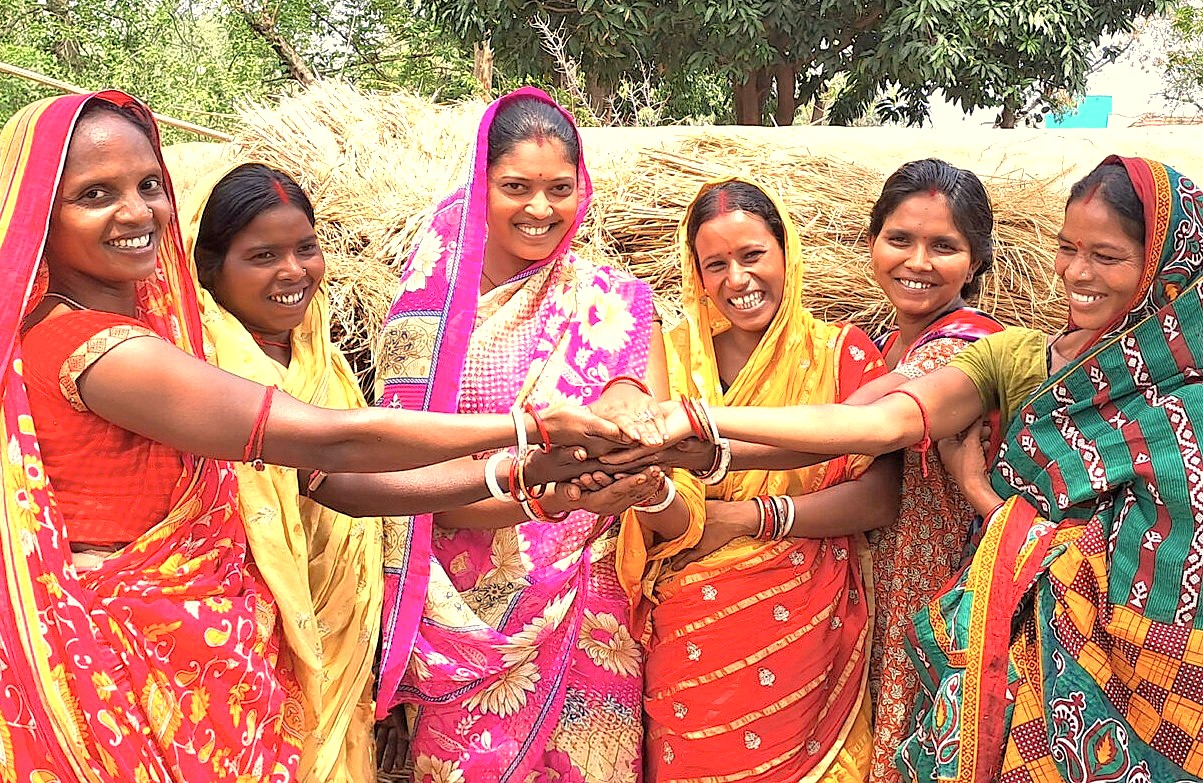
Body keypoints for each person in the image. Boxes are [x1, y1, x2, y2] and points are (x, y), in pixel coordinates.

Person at [0, 91, 630, 781]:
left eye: (149, 185)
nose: (136, 211)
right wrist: (531, 424)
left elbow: (336, 485)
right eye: (95, 193)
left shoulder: (170, 335)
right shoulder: (96, 347)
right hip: (137, 668)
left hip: (212, 659)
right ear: (38, 216)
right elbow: (331, 443)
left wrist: (522, 478)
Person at [643, 157, 1203, 781]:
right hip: (918, 605)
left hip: (1071, 644)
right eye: (1068, 248)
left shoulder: (1177, 400)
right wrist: (693, 435)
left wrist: (977, 495)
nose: (1077, 272)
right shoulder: (997, 353)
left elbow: (1144, 559)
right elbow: (858, 425)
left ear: (1166, 265)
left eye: (1107, 255)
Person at [373, 87, 700, 782]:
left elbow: (652, 432)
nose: (540, 209)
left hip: (590, 596)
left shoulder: (614, 302)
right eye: (515, 187)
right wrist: (544, 489)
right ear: (479, 184)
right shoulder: (423, 322)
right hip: (462, 610)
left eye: (559, 188)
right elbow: (406, 481)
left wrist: (629, 406)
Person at [643, 177, 902, 782]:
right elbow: (645, 487)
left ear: (787, 253)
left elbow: (879, 496)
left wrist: (751, 517)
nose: (737, 279)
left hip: (803, 621)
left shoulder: (842, 354)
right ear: (696, 274)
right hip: (686, 623)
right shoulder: (667, 354)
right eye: (716, 264)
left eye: (753, 255)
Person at [855, 159, 1003, 783]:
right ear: (872, 243)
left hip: (938, 588)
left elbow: (858, 419)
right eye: (900, 240)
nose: (917, 261)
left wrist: (701, 434)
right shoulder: (878, 341)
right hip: (880, 582)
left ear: (975, 262)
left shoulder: (961, 348)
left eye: (943, 246)